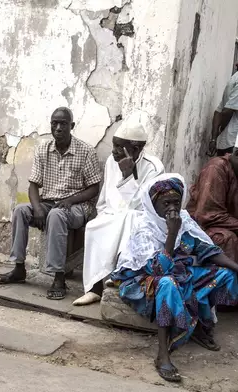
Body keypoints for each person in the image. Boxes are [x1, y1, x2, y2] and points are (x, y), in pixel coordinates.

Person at [112, 174, 238, 383]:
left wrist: (236, 266)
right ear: (153, 205)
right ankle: (163, 353)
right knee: (167, 284)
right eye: (166, 203)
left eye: (176, 202)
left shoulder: (184, 221)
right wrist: (172, 233)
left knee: (226, 275)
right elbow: (158, 269)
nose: (172, 208)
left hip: (180, 274)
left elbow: (206, 249)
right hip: (143, 283)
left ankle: (199, 325)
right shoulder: (145, 227)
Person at [0, 107, 102, 300]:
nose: (58, 128)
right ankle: (18, 268)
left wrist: (70, 200)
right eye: (54, 123)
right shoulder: (43, 149)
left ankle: (59, 277)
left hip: (76, 207)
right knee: (20, 210)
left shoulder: (86, 151)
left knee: (56, 215)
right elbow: (33, 186)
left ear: (72, 126)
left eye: (63, 124)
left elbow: (94, 188)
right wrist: (36, 208)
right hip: (49, 202)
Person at [73, 114, 164, 306]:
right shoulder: (110, 161)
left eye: (118, 147)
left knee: (129, 220)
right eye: (113, 145)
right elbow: (105, 198)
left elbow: (141, 205)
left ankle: (120, 278)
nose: (113, 151)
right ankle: (94, 288)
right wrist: (104, 214)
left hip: (140, 218)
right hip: (113, 215)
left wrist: (128, 176)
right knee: (93, 227)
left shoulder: (154, 167)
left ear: (136, 149)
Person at [187, 147, 238, 260]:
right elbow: (208, 215)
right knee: (227, 238)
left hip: (230, 224)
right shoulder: (216, 168)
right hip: (202, 228)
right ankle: (228, 276)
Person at [208, 71, 238, 157]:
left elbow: (218, 112)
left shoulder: (234, 78)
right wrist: (220, 131)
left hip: (226, 142)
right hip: (232, 143)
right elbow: (227, 111)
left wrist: (214, 138)